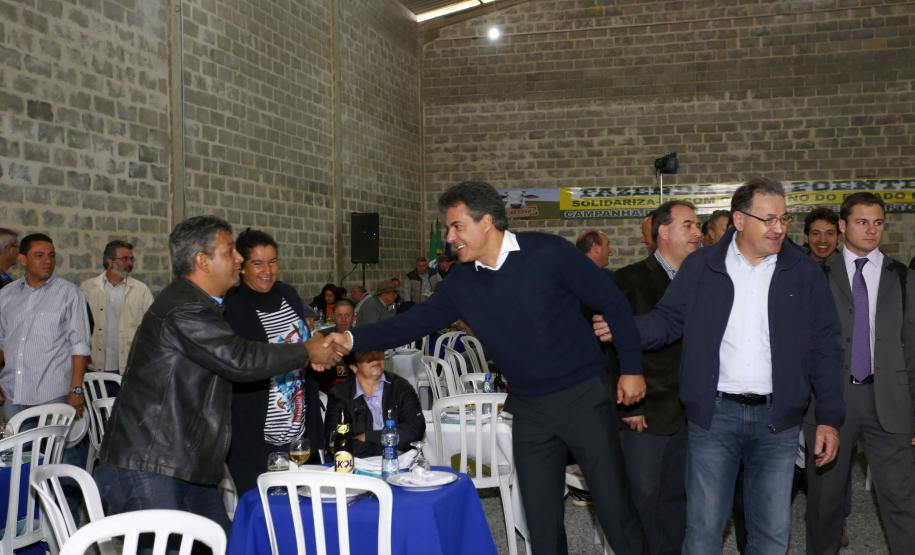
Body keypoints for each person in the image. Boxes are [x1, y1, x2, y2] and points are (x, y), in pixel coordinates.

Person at [326, 181, 647, 555]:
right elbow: (408, 324)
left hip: (584, 398)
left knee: (615, 511)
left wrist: (632, 367)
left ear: (487, 221)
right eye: (448, 229)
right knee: (541, 524)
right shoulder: (461, 282)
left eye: (456, 226)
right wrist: (348, 339)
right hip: (529, 412)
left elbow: (612, 301)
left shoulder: (548, 251)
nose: (450, 238)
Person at [596, 177, 844, 554]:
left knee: (772, 532)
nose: (778, 228)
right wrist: (625, 329)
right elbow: (668, 321)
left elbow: (825, 346)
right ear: (739, 220)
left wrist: (828, 417)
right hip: (714, 418)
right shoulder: (703, 266)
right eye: (768, 219)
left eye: (784, 218)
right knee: (704, 529)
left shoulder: (803, 272)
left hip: (778, 420)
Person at [96, 216, 342, 533]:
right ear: (202, 261)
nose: (238, 258)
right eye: (229, 251)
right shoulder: (185, 308)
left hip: (184, 460)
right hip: (152, 462)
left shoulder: (204, 304)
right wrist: (306, 351)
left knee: (222, 541)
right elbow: (239, 358)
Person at [804, 193, 915, 555]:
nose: (871, 230)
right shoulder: (818, 276)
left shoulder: (903, 277)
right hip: (831, 402)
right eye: (862, 222)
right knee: (825, 503)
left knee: (902, 500)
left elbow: (913, 348)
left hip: (891, 400)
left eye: (878, 222)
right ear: (842, 225)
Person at [610, 200, 701, 554]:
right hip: (645, 411)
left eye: (698, 225)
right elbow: (610, 349)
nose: (697, 233)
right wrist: (628, 406)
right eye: (688, 225)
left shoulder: (704, 279)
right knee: (642, 498)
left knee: (677, 497)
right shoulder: (629, 280)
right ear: (663, 232)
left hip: (690, 410)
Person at [222, 228, 326, 494]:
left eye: (273, 261)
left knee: (306, 505)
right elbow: (242, 363)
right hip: (256, 431)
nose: (267, 270)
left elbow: (304, 343)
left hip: (299, 426)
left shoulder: (288, 294)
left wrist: (317, 355)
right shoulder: (232, 307)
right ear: (242, 267)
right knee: (264, 507)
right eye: (257, 263)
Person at [0, 233, 90, 421]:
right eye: (39, 255)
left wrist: (76, 390)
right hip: (12, 394)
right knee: (17, 443)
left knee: (54, 442)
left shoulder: (69, 294)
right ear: (22, 259)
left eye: (51, 255)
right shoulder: (6, 295)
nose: (48, 261)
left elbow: (80, 346)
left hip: (53, 396)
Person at [324, 350, 425, 458]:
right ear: (353, 367)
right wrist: (390, 450)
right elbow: (336, 443)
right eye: (365, 353)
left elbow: (415, 431)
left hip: (402, 464)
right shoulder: (340, 395)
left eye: (378, 350)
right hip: (356, 466)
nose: (374, 356)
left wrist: (368, 437)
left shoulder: (401, 387)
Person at [80, 240, 154, 375]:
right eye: (125, 259)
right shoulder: (88, 289)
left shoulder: (141, 290)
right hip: (95, 369)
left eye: (131, 259)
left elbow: (152, 328)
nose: (130, 263)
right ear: (109, 261)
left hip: (129, 369)